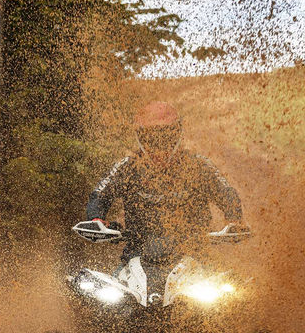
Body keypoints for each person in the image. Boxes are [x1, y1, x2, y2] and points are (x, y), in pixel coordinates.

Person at [76, 101, 247, 257]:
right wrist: (96, 219)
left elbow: (225, 191)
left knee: (231, 290)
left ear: (177, 134)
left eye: (166, 136)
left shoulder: (198, 165)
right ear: (140, 137)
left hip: (195, 255)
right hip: (137, 255)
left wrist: (234, 220)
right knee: (104, 288)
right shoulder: (127, 167)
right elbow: (100, 194)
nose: (158, 144)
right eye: (151, 137)